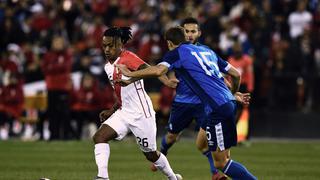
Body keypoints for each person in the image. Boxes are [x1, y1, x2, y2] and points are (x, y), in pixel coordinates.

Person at [117, 26, 256, 180]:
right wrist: (230, 95)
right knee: (218, 154)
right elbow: (235, 74)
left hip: (217, 109)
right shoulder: (206, 51)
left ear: (169, 43)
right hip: (226, 105)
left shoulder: (177, 53)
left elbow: (158, 71)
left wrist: (130, 73)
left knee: (221, 163)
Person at [152, 17, 248, 180]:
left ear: (199, 33)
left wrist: (230, 92)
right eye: (186, 31)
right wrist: (167, 81)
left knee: (212, 151)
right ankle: (161, 155)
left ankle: (216, 173)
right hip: (183, 102)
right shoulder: (177, 53)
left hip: (206, 105)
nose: (189, 34)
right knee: (175, 138)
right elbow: (160, 70)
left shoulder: (205, 51)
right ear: (182, 33)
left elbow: (218, 77)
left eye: (192, 31)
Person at [92, 27, 182, 180]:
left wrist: (167, 82)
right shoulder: (108, 66)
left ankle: (173, 178)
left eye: (111, 46)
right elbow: (121, 93)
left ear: (120, 45)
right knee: (99, 137)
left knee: (150, 154)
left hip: (141, 113)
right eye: (104, 46)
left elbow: (152, 70)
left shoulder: (128, 58)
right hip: (124, 111)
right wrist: (112, 110)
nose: (107, 50)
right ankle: (102, 177)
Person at [228, 41, 254, 144]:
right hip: (234, 87)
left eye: (238, 51)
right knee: (235, 112)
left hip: (244, 87)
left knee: (246, 112)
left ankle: (246, 135)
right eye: (236, 51)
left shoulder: (247, 60)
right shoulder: (230, 60)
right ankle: (233, 135)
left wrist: (250, 88)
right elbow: (229, 76)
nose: (237, 53)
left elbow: (250, 74)